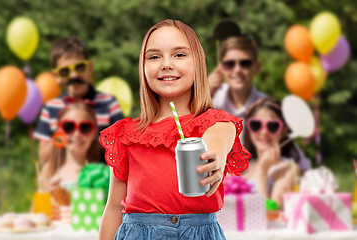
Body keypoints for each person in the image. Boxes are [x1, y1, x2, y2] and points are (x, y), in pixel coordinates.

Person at [98, 19, 251, 240]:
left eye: (179, 55)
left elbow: (218, 139)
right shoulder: (126, 134)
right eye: (154, 56)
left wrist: (214, 157)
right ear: (142, 67)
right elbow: (113, 208)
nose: (166, 64)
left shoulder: (216, 122)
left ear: (198, 62)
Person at [208, 33, 311, 172]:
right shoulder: (210, 100)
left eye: (245, 63)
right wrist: (203, 94)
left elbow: (300, 163)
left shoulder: (266, 108)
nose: (237, 69)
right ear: (221, 68)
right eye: (229, 64)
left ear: (257, 67)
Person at [33, 37, 124, 166]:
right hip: (63, 182)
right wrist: (64, 130)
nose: (74, 75)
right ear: (56, 77)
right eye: (65, 71)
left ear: (90, 67)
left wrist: (89, 134)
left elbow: (122, 150)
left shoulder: (108, 103)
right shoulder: (51, 108)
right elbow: (44, 160)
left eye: (80, 67)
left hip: (101, 181)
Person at [242, 97, 301, 207]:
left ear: (284, 131)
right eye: (256, 125)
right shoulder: (244, 168)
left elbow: (271, 214)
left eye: (272, 126)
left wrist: (263, 170)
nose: (264, 132)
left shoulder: (289, 169)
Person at [38, 101, 100, 191]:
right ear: (59, 132)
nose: (77, 134)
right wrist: (46, 195)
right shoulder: (49, 169)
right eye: (69, 127)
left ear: (94, 133)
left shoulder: (99, 173)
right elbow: (36, 205)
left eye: (85, 127)